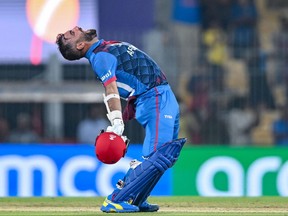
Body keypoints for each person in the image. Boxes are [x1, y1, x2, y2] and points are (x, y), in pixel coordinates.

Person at [56, 26, 186, 213]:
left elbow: (128, 76)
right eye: (72, 34)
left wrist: (131, 100)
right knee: (161, 155)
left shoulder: (103, 49)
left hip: (161, 95)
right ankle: (116, 199)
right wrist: (117, 122)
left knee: (167, 156)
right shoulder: (100, 58)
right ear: (80, 45)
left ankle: (137, 199)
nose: (76, 28)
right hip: (154, 99)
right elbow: (111, 89)